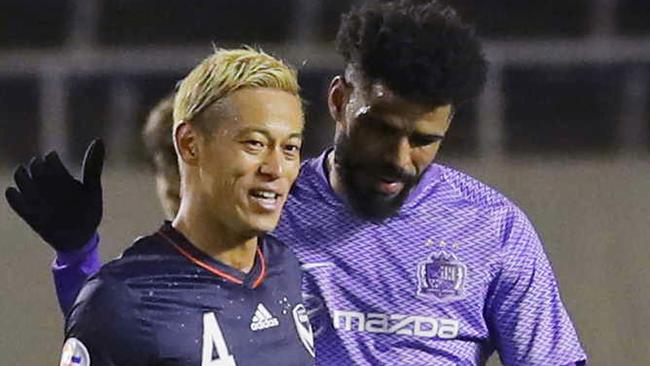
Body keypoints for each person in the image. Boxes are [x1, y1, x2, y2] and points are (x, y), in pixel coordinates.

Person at [7, 1, 587, 365]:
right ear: (339, 101)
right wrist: (78, 257)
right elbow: (141, 318)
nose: (398, 157)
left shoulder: (493, 228)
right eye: (380, 130)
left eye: (424, 140)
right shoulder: (267, 207)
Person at [8, 48, 314, 365]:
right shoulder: (123, 300)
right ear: (189, 144)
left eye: (290, 148)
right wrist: (77, 260)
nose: (276, 168)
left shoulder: (286, 267)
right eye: (255, 143)